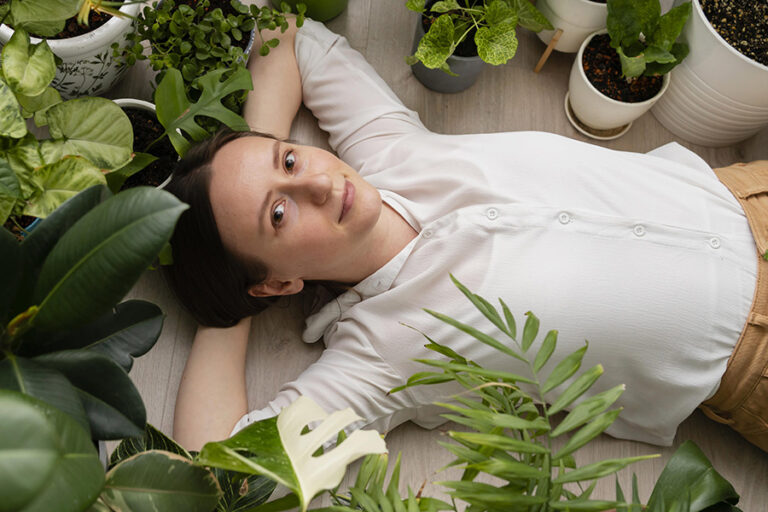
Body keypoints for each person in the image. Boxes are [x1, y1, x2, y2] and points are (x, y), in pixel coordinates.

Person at [166, 17, 768, 454]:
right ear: (278, 280)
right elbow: (219, 469)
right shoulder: (381, 356)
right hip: (753, 359)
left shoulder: (388, 151)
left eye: (292, 161)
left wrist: (250, 156)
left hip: (747, 192)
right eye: (279, 215)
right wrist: (232, 302)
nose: (320, 183)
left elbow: (285, 35)